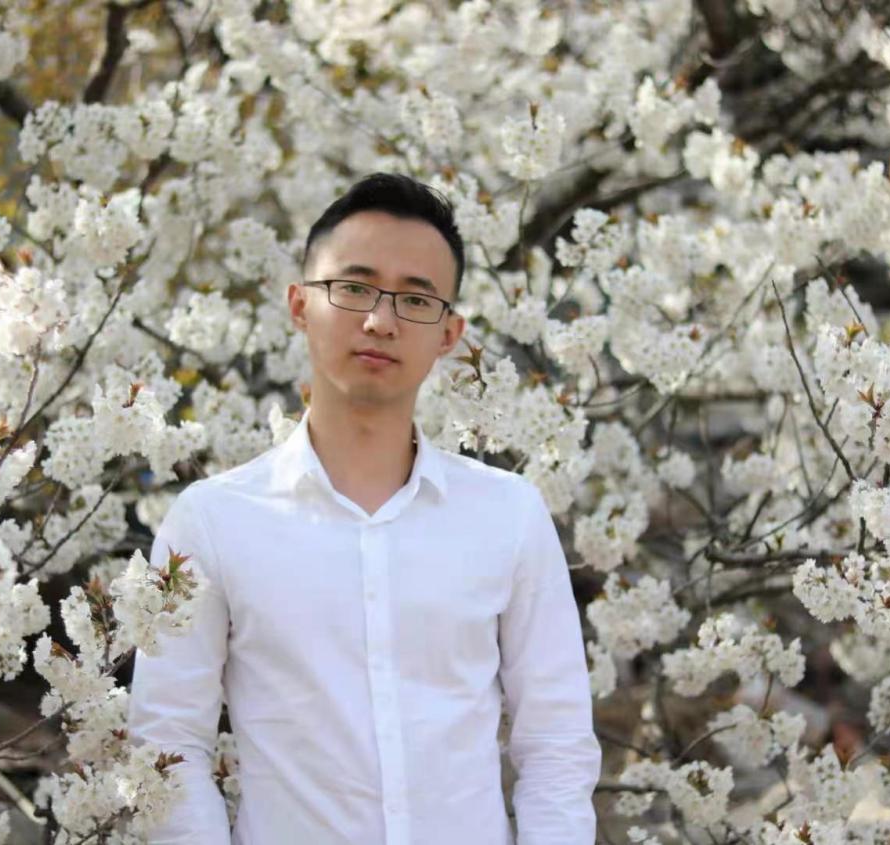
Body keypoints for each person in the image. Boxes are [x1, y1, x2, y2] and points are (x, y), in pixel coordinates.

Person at [126, 173, 601, 844]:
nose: (381, 321)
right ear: (300, 304)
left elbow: (557, 745)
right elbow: (168, 744)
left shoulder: (509, 515)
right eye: (354, 288)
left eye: (416, 299)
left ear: (449, 333)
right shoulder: (212, 522)